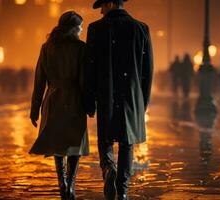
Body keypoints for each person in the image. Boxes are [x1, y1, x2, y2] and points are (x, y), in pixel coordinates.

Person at [85, 0, 153, 199]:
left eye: (103, 7)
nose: (101, 12)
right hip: (132, 94)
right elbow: (147, 71)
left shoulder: (96, 29)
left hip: (105, 92)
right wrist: (143, 101)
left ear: (111, 4)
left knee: (105, 138)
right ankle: (122, 190)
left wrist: (89, 99)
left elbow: (90, 67)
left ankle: (108, 168)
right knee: (127, 142)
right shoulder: (141, 28)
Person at [29, 11, 89, 200]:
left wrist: (35, 108)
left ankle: (61, 182)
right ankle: (71, 184)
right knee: (74, 143)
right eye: (79, 27)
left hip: (53, 98)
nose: (81, 30)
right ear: (72, 28)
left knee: (57, 142)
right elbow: (84, 80)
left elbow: (39, 80)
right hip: (74, 98)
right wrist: (89, 104)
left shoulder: (47, 47)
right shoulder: (81, 48)